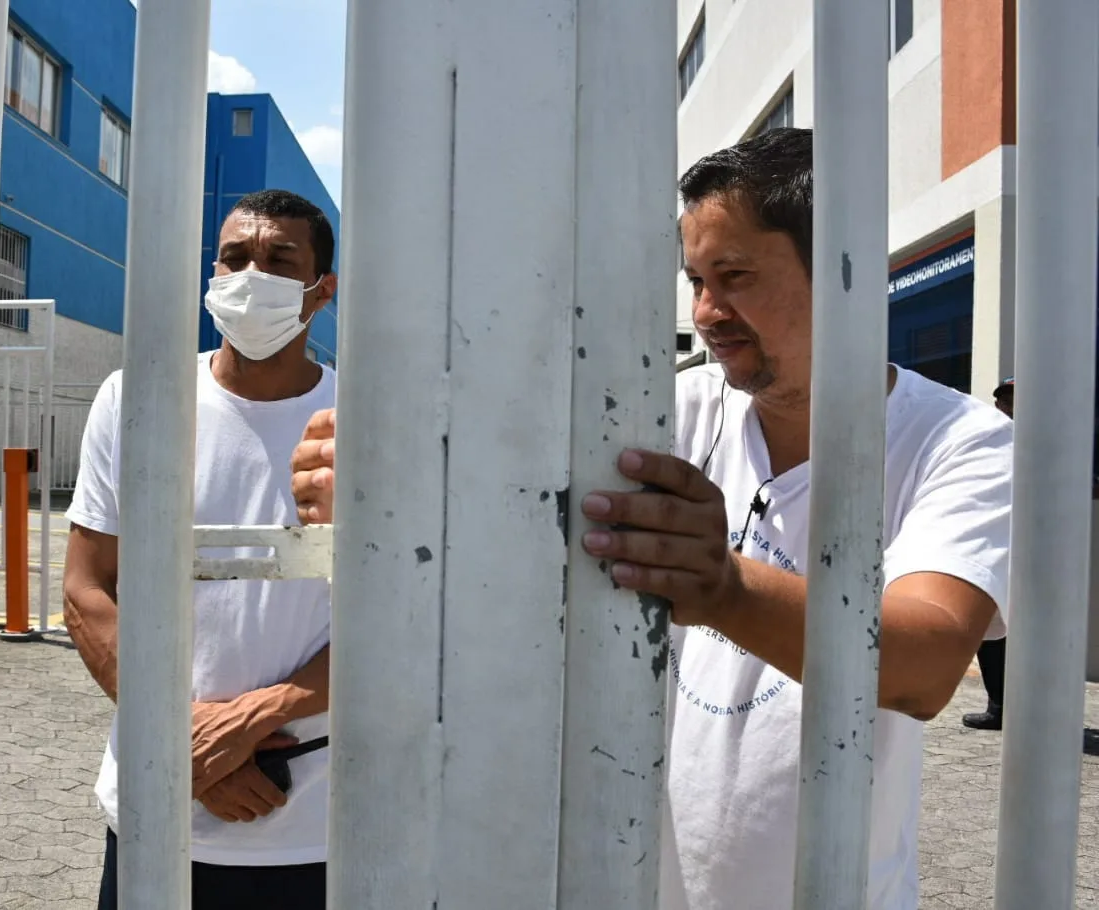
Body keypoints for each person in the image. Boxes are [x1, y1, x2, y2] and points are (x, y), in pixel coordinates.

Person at [290, 129, 1013, 910]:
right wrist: (392, 504)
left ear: (846, 269)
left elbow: (924, 665)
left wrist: (726, 588)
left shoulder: (959, 443)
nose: (707, 312)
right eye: (695, 279)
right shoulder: (671, 416)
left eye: (733, 276)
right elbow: (506, 525)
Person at [64, 188, 338, 910]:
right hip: (156, 806)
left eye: (281, 260)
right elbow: (87, 590)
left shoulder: (358, 422)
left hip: (310, 823)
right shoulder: (138, 401)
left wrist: (249, 720)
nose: (253, 276)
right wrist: (182, 739)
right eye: (235, 258)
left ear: (322, 290)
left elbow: (403, 624)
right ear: (212, 278)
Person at [962, 377, 1013, 731]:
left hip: (1035, 552)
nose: (1009, 406)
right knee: (991, 631)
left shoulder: (1050, 440)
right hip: (993, 545)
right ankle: (998, 706)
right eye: (1005, 399)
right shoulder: (986, 439)